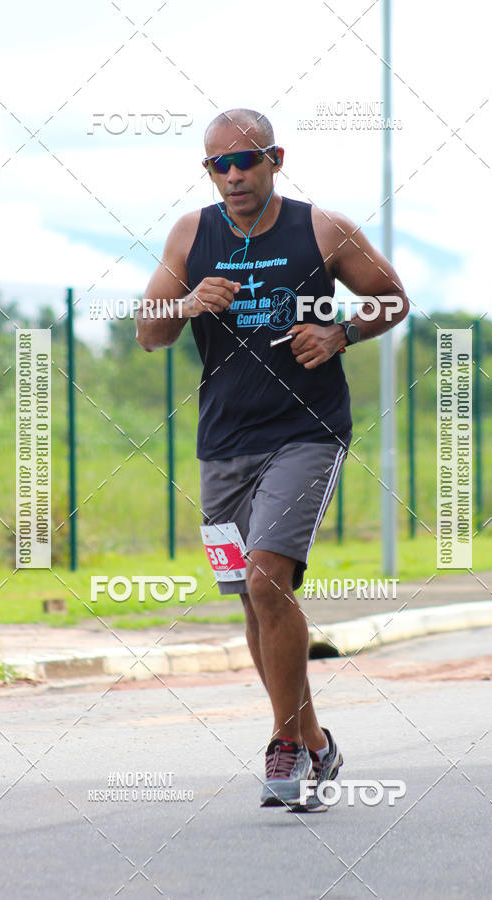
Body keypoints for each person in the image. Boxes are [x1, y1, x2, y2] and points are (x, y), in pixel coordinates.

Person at [136, 108, 409, 809]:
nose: (232, 175)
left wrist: (341, 332)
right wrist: (191, 301)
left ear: (274, 159)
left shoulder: (323, 229)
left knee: (265, 582)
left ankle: (284, 745)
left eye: (245, 160)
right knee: (255, 605)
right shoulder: (191, 235)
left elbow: (392, 299)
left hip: (307, 432)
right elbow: (148, 333)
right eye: (217, 165)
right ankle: (316, 745)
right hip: (222, 442)